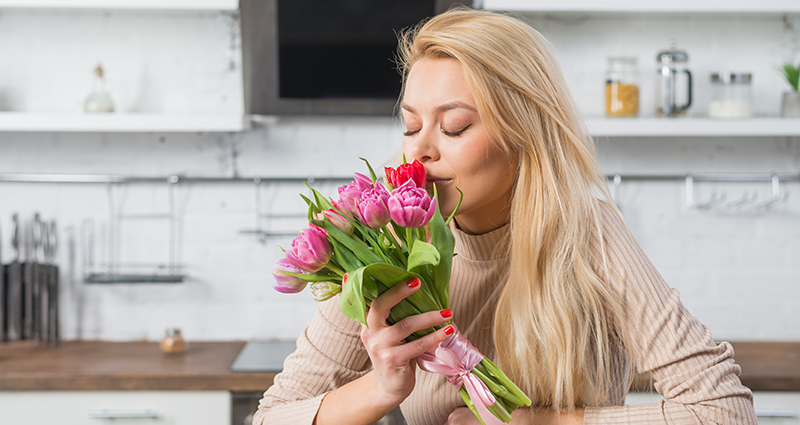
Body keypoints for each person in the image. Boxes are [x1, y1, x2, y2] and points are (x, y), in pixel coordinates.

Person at [254, 7, 757, 425]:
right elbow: (272, 416)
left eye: (453, 127)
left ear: (522, 136)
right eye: (411, 126)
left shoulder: (588, 234)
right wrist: (379, 388)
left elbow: (722, 410)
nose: (420, 150)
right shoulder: (384, 250)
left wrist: (521, 421)